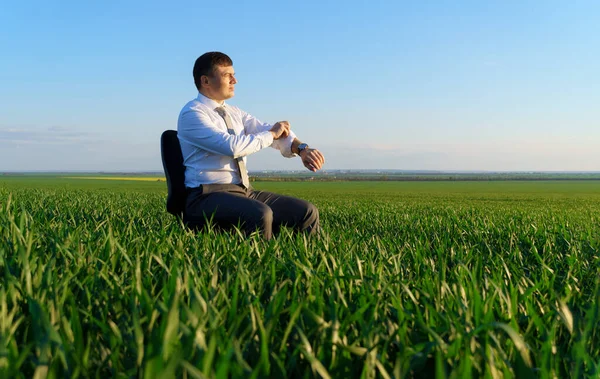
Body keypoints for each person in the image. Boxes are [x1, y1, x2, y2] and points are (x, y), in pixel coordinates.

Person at [177, 52, 325, 240]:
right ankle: (258, 267)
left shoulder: (235, 113)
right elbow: (232, 146)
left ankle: (308, 265)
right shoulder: (192, 114)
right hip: (205, 195)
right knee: (260, 213)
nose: (234, 81)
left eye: (234, 74)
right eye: (226, 75)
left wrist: (302, 149)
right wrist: (271, 134)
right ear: (205, 81)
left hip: (243, 191)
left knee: (306, 211)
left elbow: (271, 131)